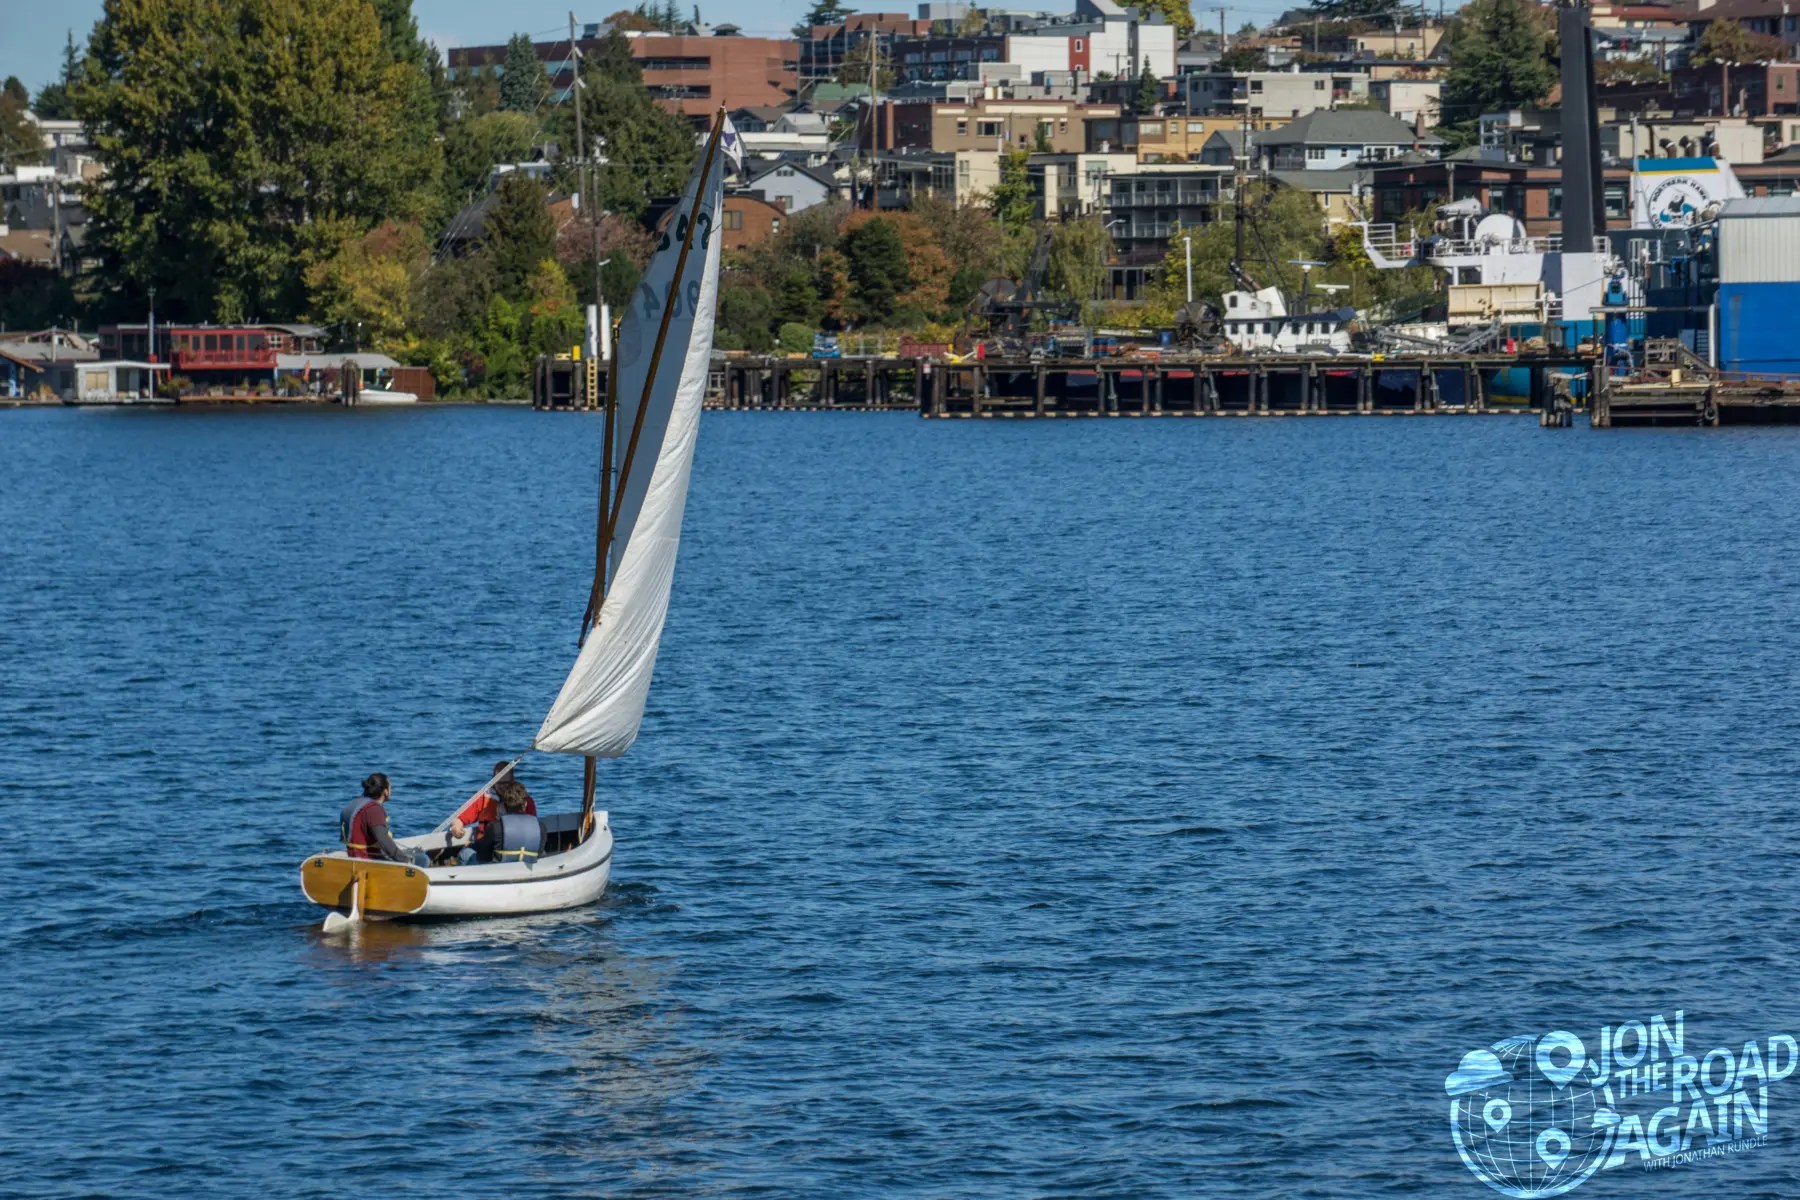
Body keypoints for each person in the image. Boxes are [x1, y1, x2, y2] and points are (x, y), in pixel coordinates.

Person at [340, 773, 419, 864]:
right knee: (422, 858)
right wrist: (406, 860)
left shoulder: (354, 804)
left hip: (353, 857)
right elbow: (383, 840)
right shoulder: (374, 810)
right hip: (368, 861)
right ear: (385, 791)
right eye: (390, 788)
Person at [467, 780, 544, 865]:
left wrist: (471, 845)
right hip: (526, 869)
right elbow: (539, 852)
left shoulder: (495, 827)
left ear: (504, 805)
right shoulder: (540, 827)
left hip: (501, 869)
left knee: (466, 853)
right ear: (525, 804)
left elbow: (482, 851)